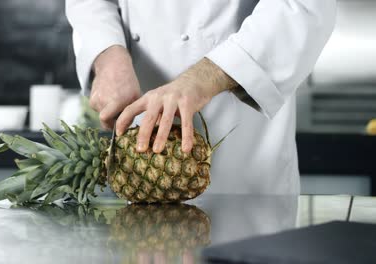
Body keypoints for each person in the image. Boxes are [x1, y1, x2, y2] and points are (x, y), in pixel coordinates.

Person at [66, 1, 336, 194]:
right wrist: (107, 55)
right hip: (141, 170)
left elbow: (304, 6)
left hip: (245, 162)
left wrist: (206, 76)